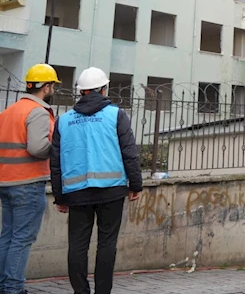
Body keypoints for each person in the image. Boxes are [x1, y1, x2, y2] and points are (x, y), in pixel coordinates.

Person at [50, 67, 143, 294]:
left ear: (81, 92)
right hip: (112, 191)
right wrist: (135, 184)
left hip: (76, 193)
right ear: (104, 89)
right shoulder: (116, 115)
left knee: (78, 245)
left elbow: (56, 161)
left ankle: (80, 291)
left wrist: (59, 196)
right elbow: (129, 152)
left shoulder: (64, 121)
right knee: (107, 244)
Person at [0, 64, 59, 294]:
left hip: (6, 182)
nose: (53, 88)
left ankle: (4, 285)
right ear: (46, 87)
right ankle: (13, 288)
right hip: (28, 183)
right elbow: (37, 147)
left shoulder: (9, 111)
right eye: (52, 85)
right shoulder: (38, 112)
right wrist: (57, 147)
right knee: (22, 239)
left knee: (8, 236)